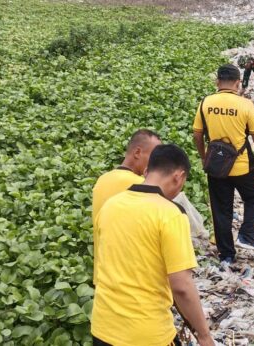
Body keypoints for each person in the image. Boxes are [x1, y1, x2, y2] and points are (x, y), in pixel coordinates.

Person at [92, 144, 213, 346]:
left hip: (103, 327)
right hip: (146, 334)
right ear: (179, 177)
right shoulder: (170, 214)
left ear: (147, 170)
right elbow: (181, 286)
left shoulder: (110, 206)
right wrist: (203, 334)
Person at [193, 64, 254, 266]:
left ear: (217, 82)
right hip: (241, 166)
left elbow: (197, 134)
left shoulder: (206, 103)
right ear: (238, 83)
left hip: (216, 167)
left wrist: (204, 156)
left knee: (221, 210)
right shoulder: (245, 104)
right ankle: (247, 235)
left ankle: (227, 256)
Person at [91, 129, 161, 286]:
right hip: (131, 279)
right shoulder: (140, 185)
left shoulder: (102, 180)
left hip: (103, 275)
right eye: (154, 157)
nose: (157, 164)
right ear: (137, 152)